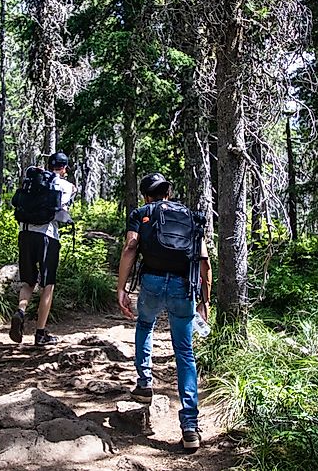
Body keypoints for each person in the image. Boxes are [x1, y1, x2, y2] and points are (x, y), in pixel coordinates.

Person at [116, 173, 212, 451]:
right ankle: (190, 426)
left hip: (153, 282)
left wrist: (121, 288)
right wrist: (205, 299)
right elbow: (204, 260)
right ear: (168, 193)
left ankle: (145, 382)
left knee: (145, 325)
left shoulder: (141, 213)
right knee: (184, 352)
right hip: (184, 286)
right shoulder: (191, 217)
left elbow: (131, 246)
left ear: (146, 195)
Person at [9, 151, 77, 346]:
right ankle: (40, 333)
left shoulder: (31, 182)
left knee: (28, 281)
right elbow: (62, 212)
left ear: (49, 165)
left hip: (25, 233)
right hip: (47, 236)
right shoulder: (66, 185)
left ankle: (20, 311)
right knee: (48, 285)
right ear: (64, 168)